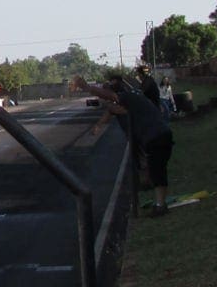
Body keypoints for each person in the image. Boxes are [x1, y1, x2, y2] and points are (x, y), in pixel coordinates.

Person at [73, 74, 173, 215]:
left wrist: (87, 87)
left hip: (155, 136)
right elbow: (113, 109)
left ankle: (160, 205)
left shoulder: (126, 98)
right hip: (156, 136)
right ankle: (154, 200)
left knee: (157, 172)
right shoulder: (133, 100)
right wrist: (99, 125)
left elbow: (112, 100)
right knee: (154, 169)